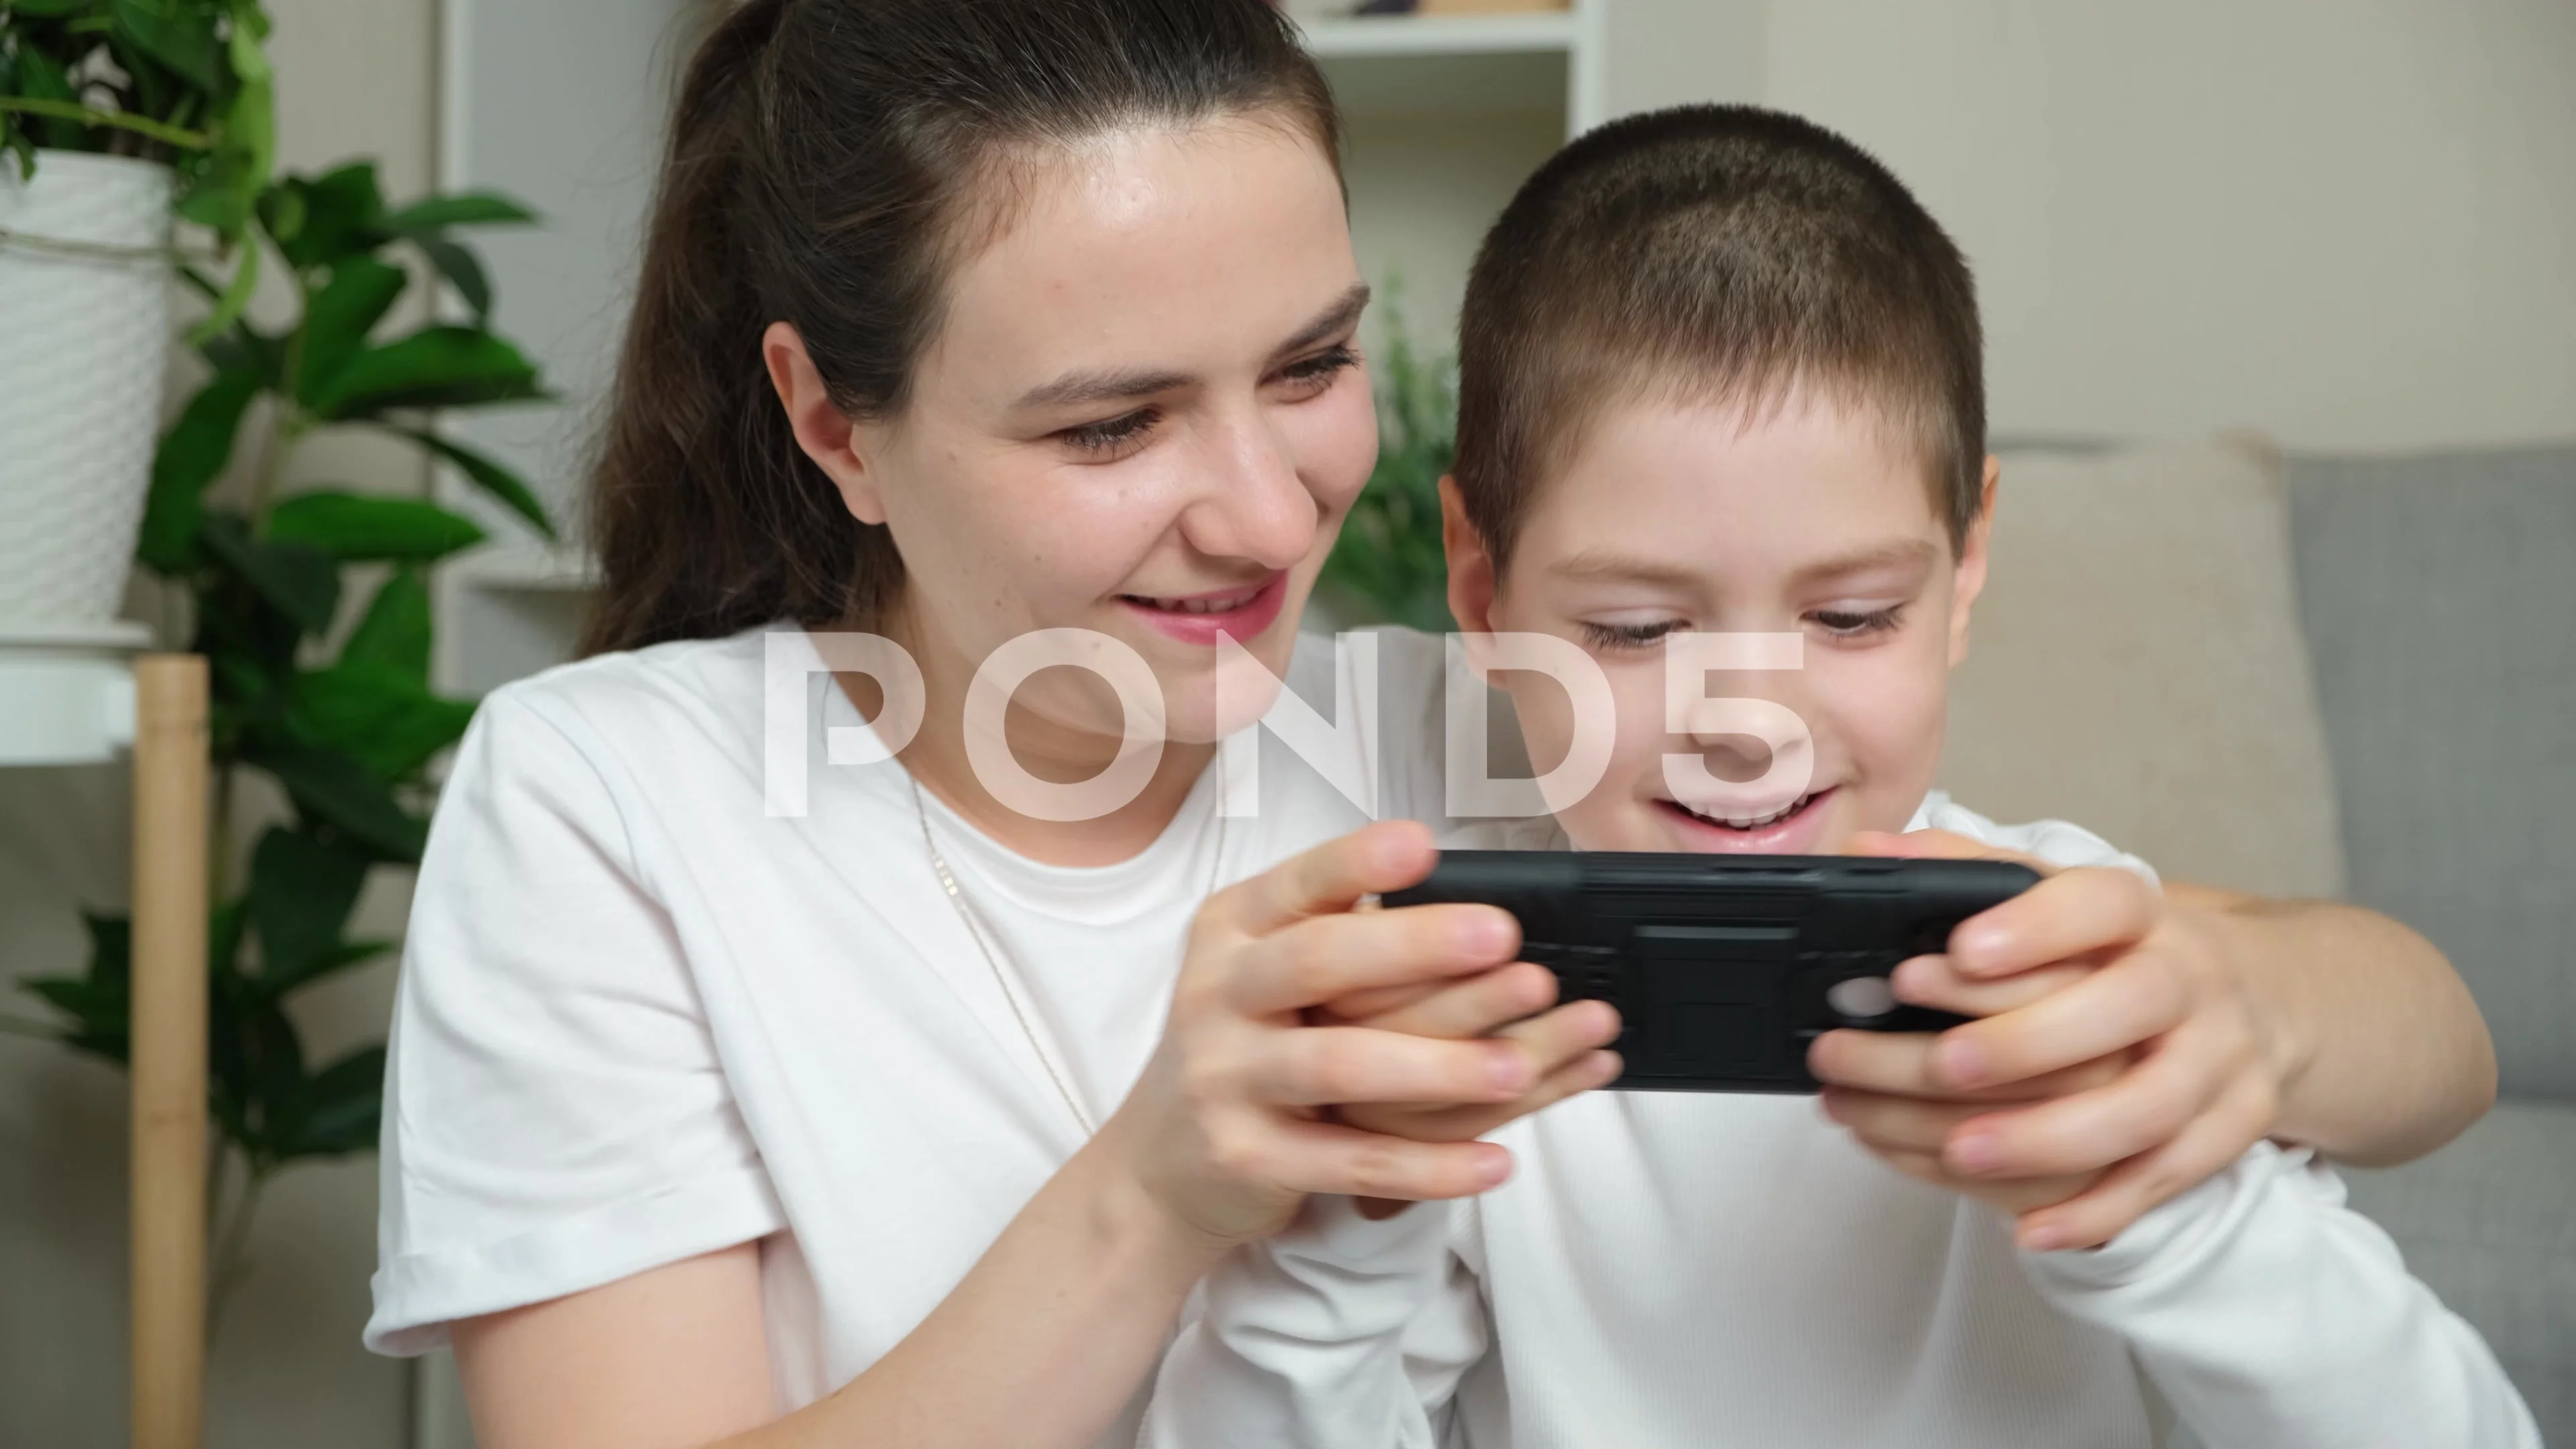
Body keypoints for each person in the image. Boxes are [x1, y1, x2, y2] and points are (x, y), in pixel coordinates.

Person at [362, 3, 2496, 1444]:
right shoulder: (616, 804)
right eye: (1112, 421)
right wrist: (1154, 1198)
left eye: (1307, 366)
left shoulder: (1500, 731)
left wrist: (2239, 1012)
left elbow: (2355, 1010)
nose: (1266, 505)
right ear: (835, 415)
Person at [1139, 105, 2536, 1448]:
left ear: (1966, 566)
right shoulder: (1475, 1023)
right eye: (1637, 629)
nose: (1747, 723)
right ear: (1485, 588)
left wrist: (2164, 1205)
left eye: (1852, 615)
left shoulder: (2084, 973)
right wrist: (1340, 1246)